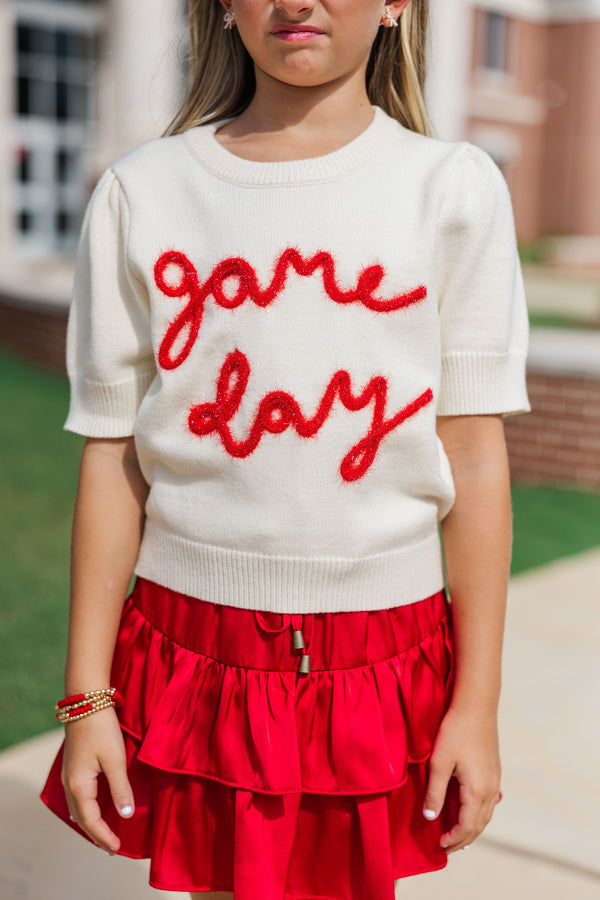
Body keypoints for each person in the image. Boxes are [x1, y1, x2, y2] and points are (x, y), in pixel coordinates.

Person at [40, 1, 530, 898]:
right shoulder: (144, 190)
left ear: (394, 7)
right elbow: (113, 455)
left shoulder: (453, 187)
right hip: (192, 643)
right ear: (224, 7)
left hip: (384, 651)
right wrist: (87, 700)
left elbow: (475, 452)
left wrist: (478, 707)